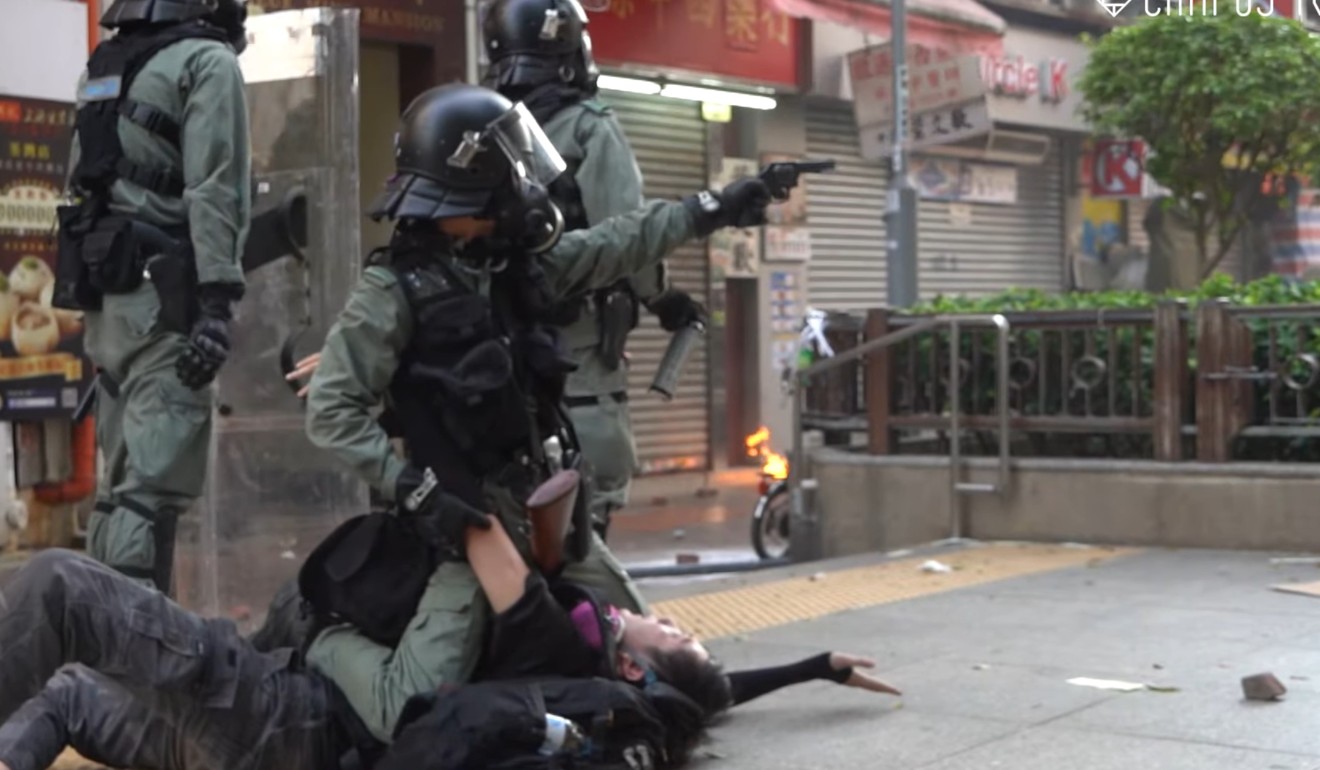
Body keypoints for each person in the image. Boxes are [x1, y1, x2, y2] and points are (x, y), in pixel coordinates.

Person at [298, 79, 776, 743]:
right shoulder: (391, 295)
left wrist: (711, 208)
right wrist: (419, 492)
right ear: (464, 189)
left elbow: (617, 242)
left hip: (547, 514)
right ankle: (320, 640)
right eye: (506, 173)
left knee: (664, 672)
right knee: (401, 709)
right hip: (468, 532)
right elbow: (332, 412)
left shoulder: (514, 269)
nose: (522, 189)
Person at [0, 524, 896, 770]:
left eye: (677, 634)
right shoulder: (612, 686)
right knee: (71, 695)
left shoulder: (553, 634)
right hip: (275, 735)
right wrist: (817, 666)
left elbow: (474, 526)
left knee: (59, 588)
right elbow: (713, 691)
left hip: (281, 716)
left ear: (633, 663)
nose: (674, 620)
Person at [481, 0, 708, 541]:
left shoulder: (481, 124)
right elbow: (628, 238)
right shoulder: (589, 128)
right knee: (586, 499)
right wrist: (662, 298)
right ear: (568, 50)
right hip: (580, 348)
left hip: (493, 343)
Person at [52, 0, 252, 594]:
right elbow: (218, 190)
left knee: (117, 494)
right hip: (167, 299)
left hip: (109, 301)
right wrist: (216, 304)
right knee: (150, 495)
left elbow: (80, 182)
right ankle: (133, 671)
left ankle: (95, 646)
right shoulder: (207, 61)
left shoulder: (104, 65)